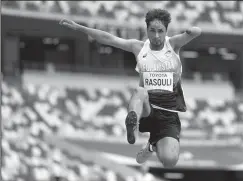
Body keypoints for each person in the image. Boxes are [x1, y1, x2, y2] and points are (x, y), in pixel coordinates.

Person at [60, 8, 201, 168]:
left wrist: (191, 31)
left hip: (169, 113)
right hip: (147, 106)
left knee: (169, 161)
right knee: (140, 91)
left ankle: (151, 146)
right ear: (146, 29)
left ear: (166, 31)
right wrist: (80, 27)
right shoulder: (138, 47)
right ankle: (132, 125)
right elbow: (108, 38)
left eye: (160, 31)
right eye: (152, 31)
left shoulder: (173, 44)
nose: (156, 36)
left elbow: (196, 32)